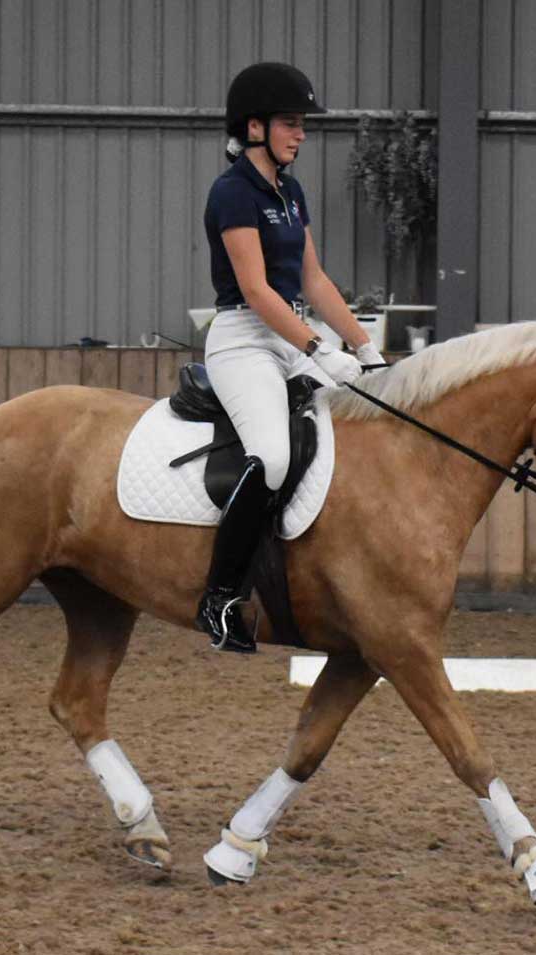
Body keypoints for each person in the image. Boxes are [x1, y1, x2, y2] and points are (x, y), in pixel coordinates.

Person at [197, 61, 385, 654]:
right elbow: (256, 290)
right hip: (242, 339)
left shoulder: (290, 191)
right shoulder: (232, 193)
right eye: (290, 123)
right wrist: (317, 349)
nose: (300, 134)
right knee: (273, 456)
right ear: (255, 128)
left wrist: (365, 348)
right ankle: (220, 596)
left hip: (287, 338)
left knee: (359, 423)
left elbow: (315, 280)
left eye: (301, 124)